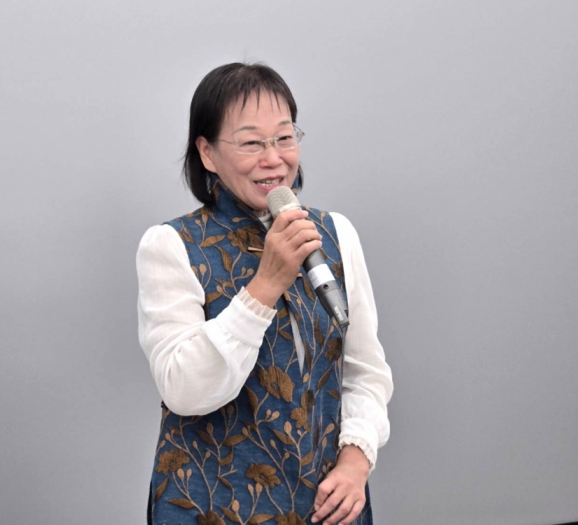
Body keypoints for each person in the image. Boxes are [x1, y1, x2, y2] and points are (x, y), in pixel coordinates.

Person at [137, 62, 393, 525]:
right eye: (252, 143)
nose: (273, 158)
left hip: (325, 505)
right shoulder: (170, 246)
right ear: (207, 152)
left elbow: (364, 372)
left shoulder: (335, 234)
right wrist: (265, 286)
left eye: (284, 137)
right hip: (212, 505)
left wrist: (357, 461)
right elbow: (184, 390)